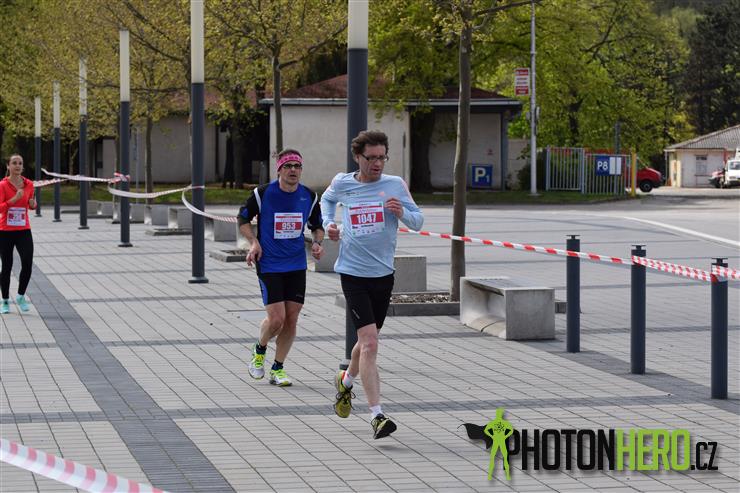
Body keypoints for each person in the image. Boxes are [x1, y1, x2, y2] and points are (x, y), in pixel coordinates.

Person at [321, 130, 423, 439]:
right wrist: (329, 224)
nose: (377, 163)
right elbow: (326, 200)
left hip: (383, 275)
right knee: (370, 344)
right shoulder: (343, 183)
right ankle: (377, 415)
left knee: (367, 342)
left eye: (382, 157)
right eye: (371, 158)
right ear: (358, 157)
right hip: (352, 274)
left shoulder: (394, 185)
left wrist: (402, 212)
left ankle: (345, 381)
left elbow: (418, 221)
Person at [237, 149, 324, 387]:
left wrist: (317, 243)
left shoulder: (309, 196)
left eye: (297, 166)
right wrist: (253, 242)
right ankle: (259, 349)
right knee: (277, 319)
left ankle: (278, 368)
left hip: (296, 264)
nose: (293, 170)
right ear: (279, 170)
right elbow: (242, 219)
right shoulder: (263, 193)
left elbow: (317, 226)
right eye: (288, 166)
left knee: (291, 319)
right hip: (270, 263)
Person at [1, 154, 37, 314]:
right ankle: (5, 301)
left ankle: (21, 296)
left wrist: (33, 205)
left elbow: (31, 205)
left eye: (20, 163)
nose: (17, 166)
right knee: (6, 266)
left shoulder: (29, 184)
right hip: (5, 231)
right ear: (8, 166)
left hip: (23, 230)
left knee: (27, 263)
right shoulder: (2, 185)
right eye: (14, 163)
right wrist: (14, 199)